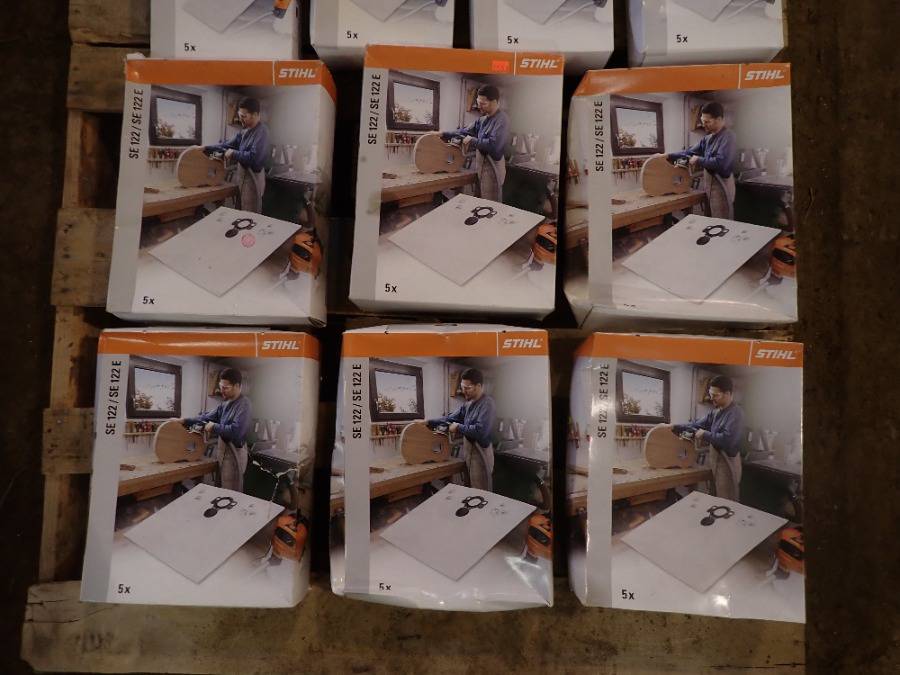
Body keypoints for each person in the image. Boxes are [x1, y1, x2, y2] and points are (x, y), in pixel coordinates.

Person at [667, 375, 744, 501]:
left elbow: (728, 441)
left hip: (728, 464)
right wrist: (673, 426)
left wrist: (705, 434)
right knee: (714, 497)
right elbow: (696, 425)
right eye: (710, 394)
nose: (711, 398)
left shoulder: (736, 413)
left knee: (727, 501)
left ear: (728, 394)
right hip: (715, 462)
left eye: (715, 395)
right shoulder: (715, 412)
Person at [662, 101, 737, 219]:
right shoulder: (707, 139)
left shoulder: (728, 137)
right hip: (708, 187)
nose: (704, 125)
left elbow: (721, 164)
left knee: (721, 222)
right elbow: (688, 152)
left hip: (722, 188)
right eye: (703, 121)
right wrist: (667, 156)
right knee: (709, 220)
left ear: (719, 119)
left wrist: (699, 160)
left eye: (707, 122)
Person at [181, 368, 252, 492]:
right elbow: (206, 417)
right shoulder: (225, 404)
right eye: (221, 387)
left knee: (230, 492)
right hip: (222, 451)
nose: (221, 390)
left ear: (237, 386)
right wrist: (184, 420)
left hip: (235, 454)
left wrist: (214, 427)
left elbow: (236, 432)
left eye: (225, 388)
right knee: (221, 488)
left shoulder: (244, 404)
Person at [427, 368, 496, 491]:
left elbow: (480, 431)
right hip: (469, 452)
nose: (464, 391)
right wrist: (428, 422)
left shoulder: (487, 404)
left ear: (479, 386)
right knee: (470, 488)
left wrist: (458, 427)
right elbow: (450, 418)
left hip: (481, 454)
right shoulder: (467, 404)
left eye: (467, 388)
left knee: (480, 492)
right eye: (462, 387)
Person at [441, 85, 510, 202]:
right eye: (478, 103)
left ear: (494, 102)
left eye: (483, 104)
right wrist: (444, 134)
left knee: (490, 203)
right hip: (480, 165)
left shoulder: (502, 120)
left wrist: (473, 140)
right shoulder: (482, 120)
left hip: (493, 168)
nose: (479, 106)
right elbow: (464, 131)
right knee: (479, 199)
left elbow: (494, 146)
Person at [204, 97, 270, 213]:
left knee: (250, 215)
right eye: (240, 116)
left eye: (244, 116)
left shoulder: (262, 132)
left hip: (253, 181)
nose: (241, 119)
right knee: (239, 212)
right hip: (242, 178)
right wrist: (204, 148)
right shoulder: (244, 131)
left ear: (255, 115)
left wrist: (234, 153)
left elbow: (254, 159)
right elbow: (226, 145)